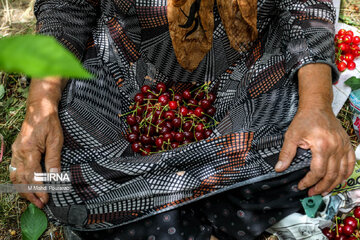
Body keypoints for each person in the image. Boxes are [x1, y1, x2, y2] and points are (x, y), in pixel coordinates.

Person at [10, 0, 356, 239]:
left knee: (309, 151)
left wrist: (317, 105)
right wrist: (40, 107)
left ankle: (165, 203)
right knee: (53, 178)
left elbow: (304, 6)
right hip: (129, 69)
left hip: (246, 73)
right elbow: (67, 7)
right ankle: (223, 203)